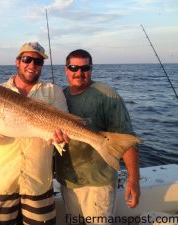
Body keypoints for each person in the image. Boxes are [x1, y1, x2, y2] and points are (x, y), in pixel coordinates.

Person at [0, 42, 68, 225]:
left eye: (38, 61)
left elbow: (63, 128)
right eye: (27, 59)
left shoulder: (53, 92)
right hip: (1, 181)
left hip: (38, 182)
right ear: (17, 62)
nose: (32, 65)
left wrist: (61, 138)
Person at [55, 49, 140, 225]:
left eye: (85, 68)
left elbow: (126, 139)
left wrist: (133, 179)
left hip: (98, 183)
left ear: (91, 69)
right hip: (68, 182)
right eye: (73, 67)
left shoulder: (106, 95)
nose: (79, 72)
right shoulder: (59, 96)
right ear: (66, 69)